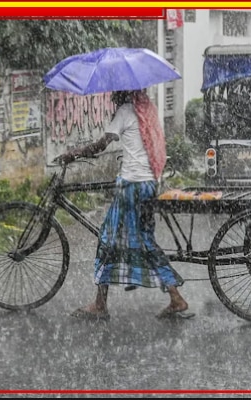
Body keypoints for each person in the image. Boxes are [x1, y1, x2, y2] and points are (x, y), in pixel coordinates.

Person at [55, 90, 193, 321]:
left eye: (115, 94)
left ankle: (102, 304)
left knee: (109, 240)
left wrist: (74, 153)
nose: (111, 99)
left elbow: (102, 144)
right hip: (148, 185)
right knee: (142, 241)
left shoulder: (126, 111)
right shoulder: (145, 111)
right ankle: (171, 296)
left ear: (123, 94)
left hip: (132, 187)